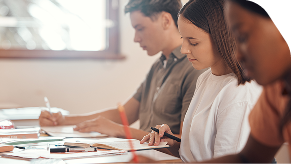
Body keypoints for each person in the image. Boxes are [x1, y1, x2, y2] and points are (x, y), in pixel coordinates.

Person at [132, 0, 291, 163]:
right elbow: (246, 158)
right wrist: (173, 143)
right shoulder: (207, 78)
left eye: (243, 37)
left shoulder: (239, 92)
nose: (238, 54)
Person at [38, 0, 207, 140]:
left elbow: (185, 142)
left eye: (140, 28)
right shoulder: (159, 65)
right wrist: (62, 120)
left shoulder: (194, 68)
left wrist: (119, 130)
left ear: (165, 20)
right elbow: (124, 114)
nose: (135, 38)